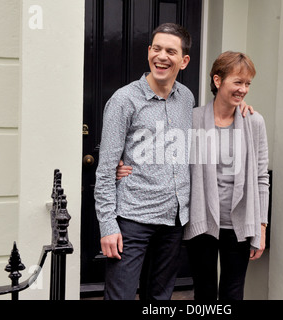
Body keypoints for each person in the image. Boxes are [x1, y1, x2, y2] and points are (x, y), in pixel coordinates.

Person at [94, 23, 194, 300]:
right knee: (120, 297)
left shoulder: (186, 98)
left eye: (171, 51)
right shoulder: (124, 100)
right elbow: (105, 170)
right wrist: (108, 225)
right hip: (132, 219)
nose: (162, 56)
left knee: (159, 299)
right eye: (157, 48)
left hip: (173, 219)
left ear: (183, 61)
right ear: (149, 51)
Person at [184, 51, 270, 300]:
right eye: (238, 82)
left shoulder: (253, 122)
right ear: (218, 80)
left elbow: (261, 178)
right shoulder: (193, 119)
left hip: (239, 223)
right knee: (204, 291)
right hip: (202, 220)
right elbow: (173, 161)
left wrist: (261, 228)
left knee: (233, 291)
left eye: (247, 84)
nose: (243, 89)